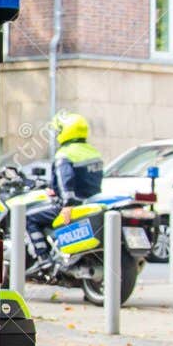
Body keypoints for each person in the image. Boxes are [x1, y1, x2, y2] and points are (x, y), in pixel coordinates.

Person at [24, 112, 103, 262]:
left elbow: (65, 181)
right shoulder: (93, 152)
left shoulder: (65, 154)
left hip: (71, 205)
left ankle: (43, 257)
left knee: (27, 216)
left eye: (59, 130)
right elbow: (86, 180)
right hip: (91, 202)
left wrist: (68, 205)